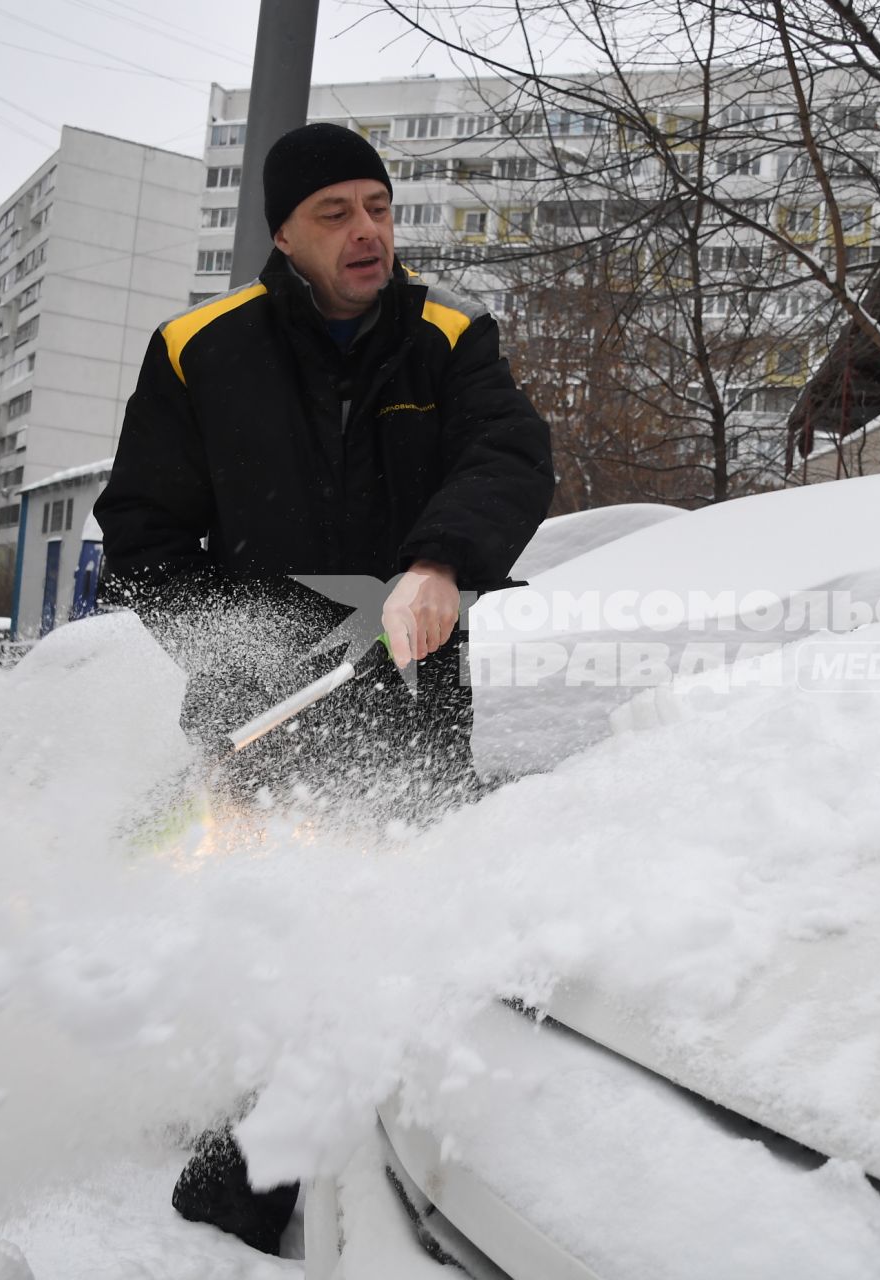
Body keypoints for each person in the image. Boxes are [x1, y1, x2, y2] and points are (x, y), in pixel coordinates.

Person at [94, 121, 555, 1253]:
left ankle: (384, 1207)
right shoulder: (201, 349)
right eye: (337, 214)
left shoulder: (448, 340)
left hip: (411, 723)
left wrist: (441, 559)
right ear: (285, 233)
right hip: (261, 729)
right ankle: (224, 1219)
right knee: (270, 958)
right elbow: (144, 540)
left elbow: (509, 456)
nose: (369, 233)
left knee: (385, 960)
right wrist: (256, 653)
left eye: (379, 207)